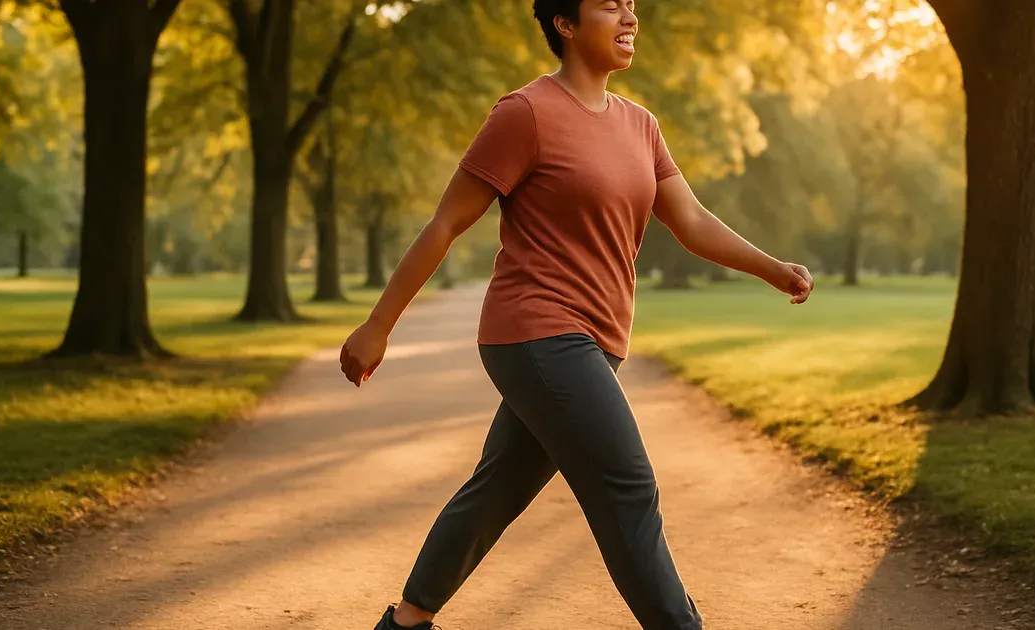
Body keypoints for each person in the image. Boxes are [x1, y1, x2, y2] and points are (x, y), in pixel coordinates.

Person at [339, 1, 814, 628]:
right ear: (564, 23)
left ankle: (405, 622)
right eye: (610, 3)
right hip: (536, 330)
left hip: (593, 341)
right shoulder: (525, 114)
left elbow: (692, 222)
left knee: (497, 490)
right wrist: (379, 324)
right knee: (628, 485)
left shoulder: (640, 125)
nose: (630, 16)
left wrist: (772, 268)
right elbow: (448, 221)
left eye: (632, 5)